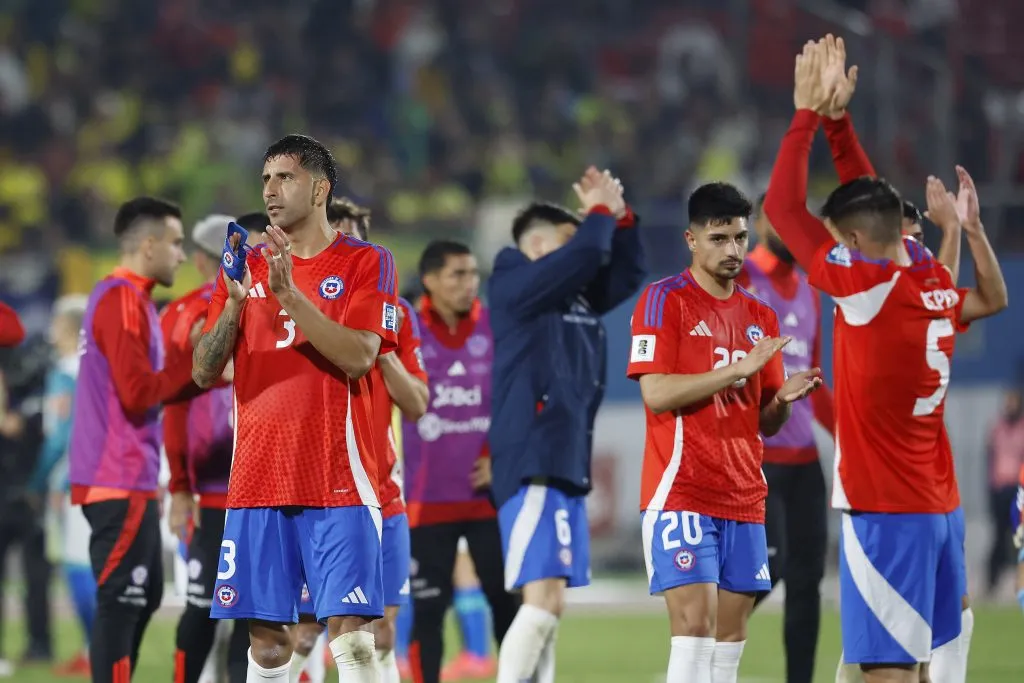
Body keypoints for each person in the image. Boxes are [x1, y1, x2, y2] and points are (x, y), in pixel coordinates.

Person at [765, 35, 1007, 683]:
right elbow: (870, 206)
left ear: (851, 241)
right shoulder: (928, 276)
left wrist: (806, 115)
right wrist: (842, 126)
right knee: (920, 659)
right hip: (937, 499)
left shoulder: (865, 289)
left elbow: (781, 209)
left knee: (887, 672)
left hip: (886, 509)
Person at [193, 134, 400, 683]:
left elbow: (360, 356)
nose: (270, 190)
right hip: (257, 479)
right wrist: (235, 307)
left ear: (320, 189)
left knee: (353, 641)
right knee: (265, 648)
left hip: (338, 479)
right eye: (265, 179)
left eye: (284, 177)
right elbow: (203, 370)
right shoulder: (244, 267)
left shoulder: (367, 261)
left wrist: (289, 297)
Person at [627, 182, 822, 683]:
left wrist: (781, 400)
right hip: (682, 491)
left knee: (728, 647)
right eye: (719, 238)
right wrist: (737, 370)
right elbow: (656, 393)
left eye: (738, 237)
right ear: (691, 239)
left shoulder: (760, 316)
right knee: (694, 631)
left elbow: (762, 420)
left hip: (744, 497)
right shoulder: (662, 300)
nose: (733, 249)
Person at [488, 167, 646, 683]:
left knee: (551, 607)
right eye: (569, 242)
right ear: (537, 245)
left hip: (563, 457)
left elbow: (626, 272)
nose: (585, 253)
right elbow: (587, 256)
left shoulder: (573, 295)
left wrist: (620, 220)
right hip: (534, 456)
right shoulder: (513, 275)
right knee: (541, 602)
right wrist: (598, 214)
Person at [289, 197, 429, 683]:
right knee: (304, 632)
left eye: (349, 235)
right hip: (316, 489)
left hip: (381, 492)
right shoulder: (297, 303)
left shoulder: (400, 315)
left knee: (381, 633)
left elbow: (416, 404)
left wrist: (377, 344)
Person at [68, 196, 194, 683]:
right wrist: (201, 371)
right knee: (123, 602)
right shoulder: (121, 299)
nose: (181, 256)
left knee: (145, 597)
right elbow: (139, 392)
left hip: (128, 474)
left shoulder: (127, 297)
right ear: (148, 245)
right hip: (115, 475)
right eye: (176, 243)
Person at [404, 239, 519, 683]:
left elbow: (519, 399)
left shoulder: (496, 327)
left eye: (473, 274)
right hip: (426, 500)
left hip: (487, 498)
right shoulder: (406, 330)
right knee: (427, 612)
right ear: (430, 280)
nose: (469, 283)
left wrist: (500, 457)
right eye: (458, 274)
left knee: (507, 605)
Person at [165, 213, 266, 683]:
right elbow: (178, 404)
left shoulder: (288, 305)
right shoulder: (188, 311)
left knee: (259, 617)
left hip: (269, 487)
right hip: (211, 491)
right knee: (202, 609)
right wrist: (181, 486)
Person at [738, 194, 835, 683]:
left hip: (804, 464)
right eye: (787, 222)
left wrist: (852, 439)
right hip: (759, 456)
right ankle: (704, 650)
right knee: (765, 572)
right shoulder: (741, 280)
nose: (799, 232)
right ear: (759, 223)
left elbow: (814, 386)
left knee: (807, 584)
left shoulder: (809, 289)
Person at [25, 296, 93, 677]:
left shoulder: (64, 374)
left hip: (71, 482)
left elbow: (59, 438)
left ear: (67, 329)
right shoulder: (96, 368)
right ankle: (93, 646)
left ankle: (92, 647)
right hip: (100, 478)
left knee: (76, 566)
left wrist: (38, 481)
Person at [987, 388, 1024, 593]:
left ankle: (1020, 582)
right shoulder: (997, 428)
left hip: (1018, 490)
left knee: (1019, 537)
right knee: (999, 537)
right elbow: (989, 460)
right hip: (1000, 489)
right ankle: (992, 581)